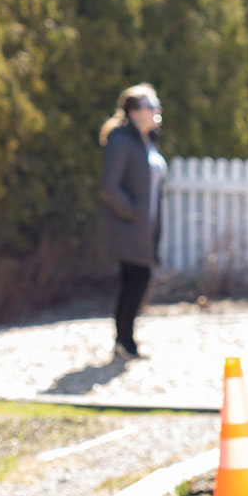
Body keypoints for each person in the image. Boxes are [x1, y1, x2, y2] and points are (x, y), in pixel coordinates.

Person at [98, 83, 167, 361]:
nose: (157, 111)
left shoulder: (147, 141)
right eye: (151, 106)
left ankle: (125, 341)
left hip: (145, 227)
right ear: (135, 112)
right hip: (128, 227)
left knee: (134, 280)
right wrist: (133, 213)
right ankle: (124, 341)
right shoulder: (121, 140)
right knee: (138, 278)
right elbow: (109, 186)